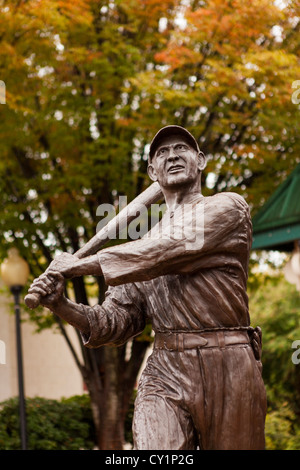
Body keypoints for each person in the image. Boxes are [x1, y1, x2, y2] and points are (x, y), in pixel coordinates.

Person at [28, 125, 267, 450]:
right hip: (165, 368)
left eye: (180, 148)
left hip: (229, 362)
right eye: (161, 153)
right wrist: (62, 305)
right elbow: (112, 322)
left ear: (200, 161)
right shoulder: (138, 249)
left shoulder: (228, 208)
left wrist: (79, 264)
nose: (172, 156)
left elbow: (171, 247)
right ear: (152, 171)